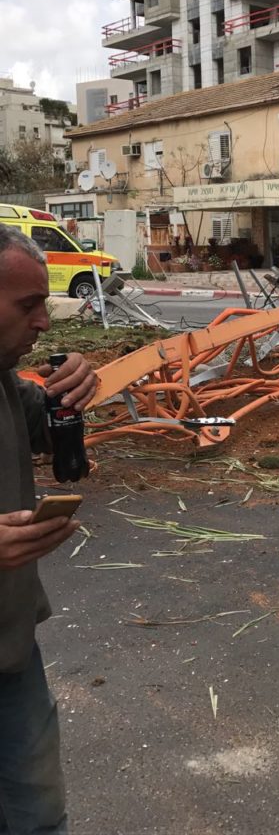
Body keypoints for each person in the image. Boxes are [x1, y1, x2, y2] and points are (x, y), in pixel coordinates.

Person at [0, 223, 97, 835]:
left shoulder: (4, 381)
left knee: (38, 818)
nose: (43, 322)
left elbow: (49, 423)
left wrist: (78, 386)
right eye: (27, 305)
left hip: (10, 652)